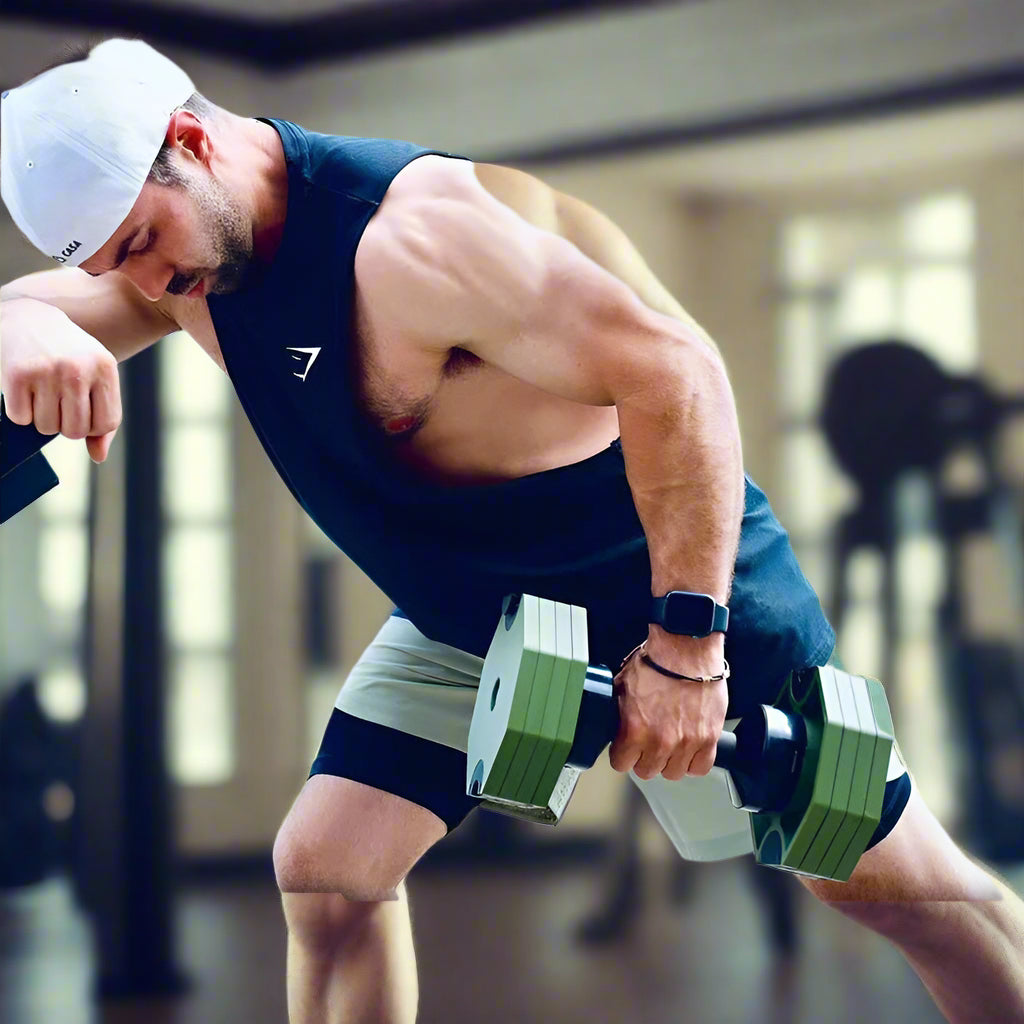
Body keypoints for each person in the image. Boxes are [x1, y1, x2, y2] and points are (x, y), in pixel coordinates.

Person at [1, 39, 1021, 1024]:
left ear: (194, 139)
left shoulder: (416, 238)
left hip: (663, 575)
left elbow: (676, 372)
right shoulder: (191, 266)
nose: (136, 284)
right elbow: (52, 308)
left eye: (137, 243)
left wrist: (688, 645)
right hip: (467, 614)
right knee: (328, 871)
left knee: (899, 892)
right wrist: (22, 321)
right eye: (104, 264)